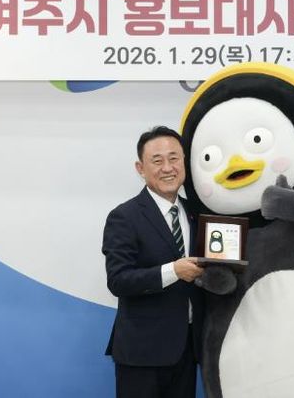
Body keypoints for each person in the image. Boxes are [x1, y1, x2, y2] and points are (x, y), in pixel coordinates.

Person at [103, 126, 204, 398]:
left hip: (187, 350)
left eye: (174, 158)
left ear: (184, 162)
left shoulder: (198, 213)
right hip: (142, 354)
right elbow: (118, 280)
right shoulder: (124, 217)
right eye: (157, 161)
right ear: (141, 168)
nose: (167, 168)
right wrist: (174, 271)